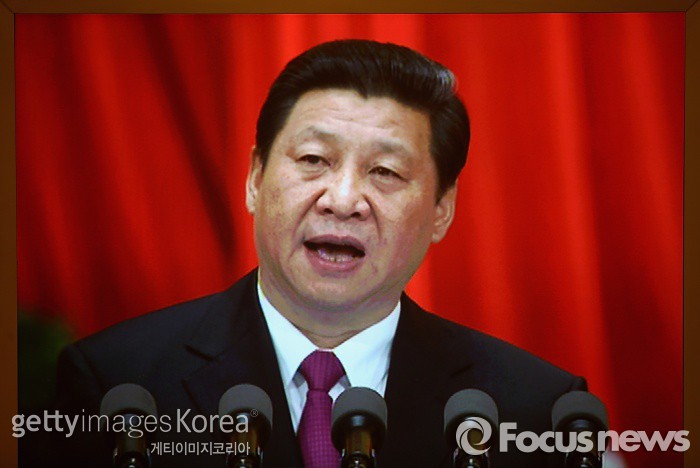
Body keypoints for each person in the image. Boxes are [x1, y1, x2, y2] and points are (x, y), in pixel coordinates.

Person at [32, 40, 586, 467]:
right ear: (255, 178)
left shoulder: (532, 409)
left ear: (442, 209)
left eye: (385, 171)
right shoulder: (116, 384)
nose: (342, 200)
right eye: (314, 160)